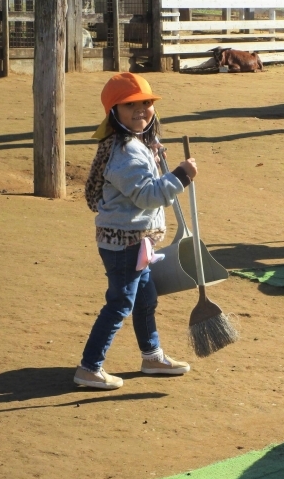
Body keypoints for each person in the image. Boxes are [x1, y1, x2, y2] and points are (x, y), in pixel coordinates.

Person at [75, 72, 198, 389]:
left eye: (146, 103)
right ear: (115, 112)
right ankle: (90, 367)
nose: (142, 110)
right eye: (131, 106)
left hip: (137, 242)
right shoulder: (125, 151)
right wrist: (180, 177)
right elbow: (148, 195)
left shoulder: (135, 144)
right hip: (124, 244)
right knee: (120, 303)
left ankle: (151, 355)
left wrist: (160, 162)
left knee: (145, 299)